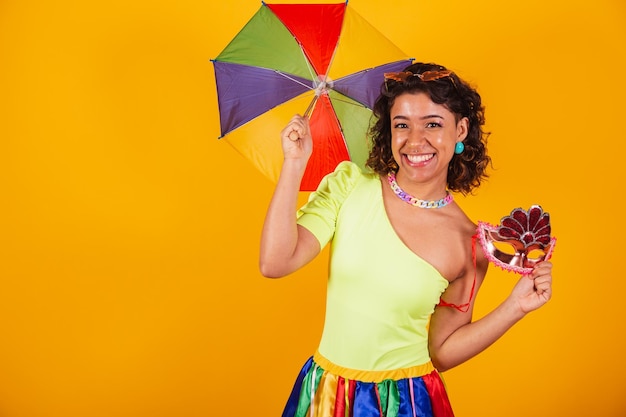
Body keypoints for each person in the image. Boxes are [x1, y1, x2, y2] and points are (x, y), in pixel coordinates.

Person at [259, 62, 553, 417]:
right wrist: (294, 162)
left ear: (460, 129)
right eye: (402, 125)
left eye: (432, 123)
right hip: (326, 394)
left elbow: (442, 352)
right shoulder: (350, 185)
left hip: (407, 402)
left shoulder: (469, 242)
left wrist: (514, 308)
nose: (415, 141)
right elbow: (275, 262)